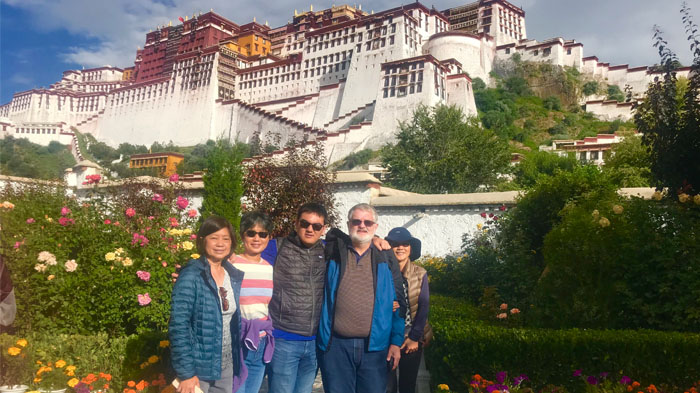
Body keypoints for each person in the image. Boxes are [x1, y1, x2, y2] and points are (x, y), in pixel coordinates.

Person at [317, 203, 405, 393]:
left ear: (375, 227)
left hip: (375, 348)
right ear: (349, 224)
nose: (362, 225)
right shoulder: (334, 251)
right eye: (356, 221)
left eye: (368, 222)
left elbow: (400, 303)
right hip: (336, 347)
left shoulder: (385, 257)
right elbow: (328, 234)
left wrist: (396, 342)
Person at [170, 216, 243, 393]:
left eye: (226, 238)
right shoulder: (192, 276)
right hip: (198, 370)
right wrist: (186, 373)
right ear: (202, 241)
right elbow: (179, 326)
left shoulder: (231, 275)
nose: (220, 244)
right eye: (214, 237)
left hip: (225, 366)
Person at [266, 202, 329, 393]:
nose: (310, 229)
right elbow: (244, 261)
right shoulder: (276, 247)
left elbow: (359, 249)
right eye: (305, 224)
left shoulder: (328, 250)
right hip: (284, 339)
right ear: (296, 224)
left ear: (323, 229)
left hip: (314, 341)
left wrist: (377, 241)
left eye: (316, 226)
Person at [231, 212, 275, 393]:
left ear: (268, 238)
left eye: (262, 234)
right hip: (237, 340)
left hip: (261, 340)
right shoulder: (231, 263)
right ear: (243, 236)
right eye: (251, 233)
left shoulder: (269, 268)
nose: (257, 238)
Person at [385, 227, 431, 393]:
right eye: (395, 244)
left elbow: (423, 306)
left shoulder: (420, 273)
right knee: (387, 386)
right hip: (386, 337)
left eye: (405, 244)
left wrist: (414, 337)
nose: (400, 248)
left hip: (410, 336)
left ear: (411, 248)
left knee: (407, 386)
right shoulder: (382, 271)